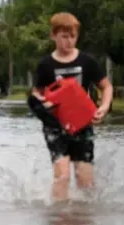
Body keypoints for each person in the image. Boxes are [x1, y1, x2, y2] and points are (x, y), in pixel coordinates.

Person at [30, 12, 113, 202]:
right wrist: (41, 104)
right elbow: (36, 93)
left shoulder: (87, 62)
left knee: (85, 180)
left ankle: (84, 221)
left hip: (82, 124)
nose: (69, 42)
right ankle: (58, 221)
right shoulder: (46, 65)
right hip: (55, 126)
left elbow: (106, 86)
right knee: (63, 175)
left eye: (73, 37)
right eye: (64, 37)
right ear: (53, 36)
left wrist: (105, 106)